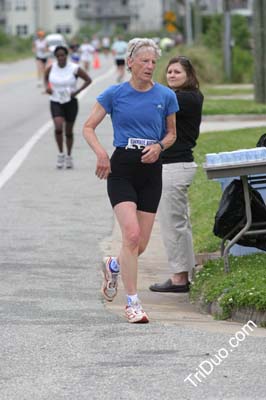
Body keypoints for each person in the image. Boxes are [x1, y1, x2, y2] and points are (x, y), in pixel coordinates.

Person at [83, 38, 178, 323]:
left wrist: (159, 147)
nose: (150, 66)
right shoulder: (114, 94)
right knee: (132, 236)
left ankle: (114, 264)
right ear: (131, 64)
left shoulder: (165, 96)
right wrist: (102, 154)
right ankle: (133, 303)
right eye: (145, 61)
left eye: (153, 62)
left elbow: (172, 134)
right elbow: (88, 127)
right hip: (122, 167)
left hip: (151, 169)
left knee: (140, 246)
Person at [149, 56, 204, 294]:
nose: (171, 75)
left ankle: (180, 278)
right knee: (179, 223)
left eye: (177, 72)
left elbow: (155, 102)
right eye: (169, 72)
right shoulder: (177, 97)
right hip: (174, 166)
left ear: (189, 76)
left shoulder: (187, 98)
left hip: (175, 166)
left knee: (173, 225)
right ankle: (184, 273)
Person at [44, 46, 92, 169]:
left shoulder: (74, 68)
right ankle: (61, 154)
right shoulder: (51, 68)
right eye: (58, 55)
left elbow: (88, 80)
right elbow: (45, 77)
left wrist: (76, 92)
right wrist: (47, 88)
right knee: (58, 127)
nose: (61, 58)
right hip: (55, 101)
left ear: (67, 55)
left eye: (63, 55)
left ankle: (69, 156)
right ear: (56, 57)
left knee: (68, 131)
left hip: (70, 102)